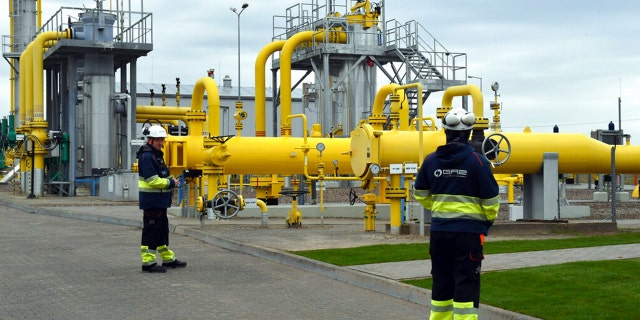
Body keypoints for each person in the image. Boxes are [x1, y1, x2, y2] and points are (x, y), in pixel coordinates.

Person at [414, 108, 500, 320]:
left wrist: (438, 209)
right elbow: (491, 201)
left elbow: (420, 193)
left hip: (440, 232)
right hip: (469, 235)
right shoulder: (479, 162)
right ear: (469, 134)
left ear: (445, 132)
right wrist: (485, 222)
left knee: (441, 282)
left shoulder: (431, 161)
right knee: (466, 282)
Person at [137, 125, 187, 273]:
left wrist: (172, 180)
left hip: (159, 200)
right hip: (152, 201)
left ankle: (167, 259)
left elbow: (161, 175)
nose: (161, 142)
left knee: (162, 230)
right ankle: (148, 263)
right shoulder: (147, 156)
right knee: (151, 231)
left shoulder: (156, 154)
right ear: (150, 140)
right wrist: (171, 183)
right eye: (158, 140)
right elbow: (152, 180)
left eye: (162, 139)